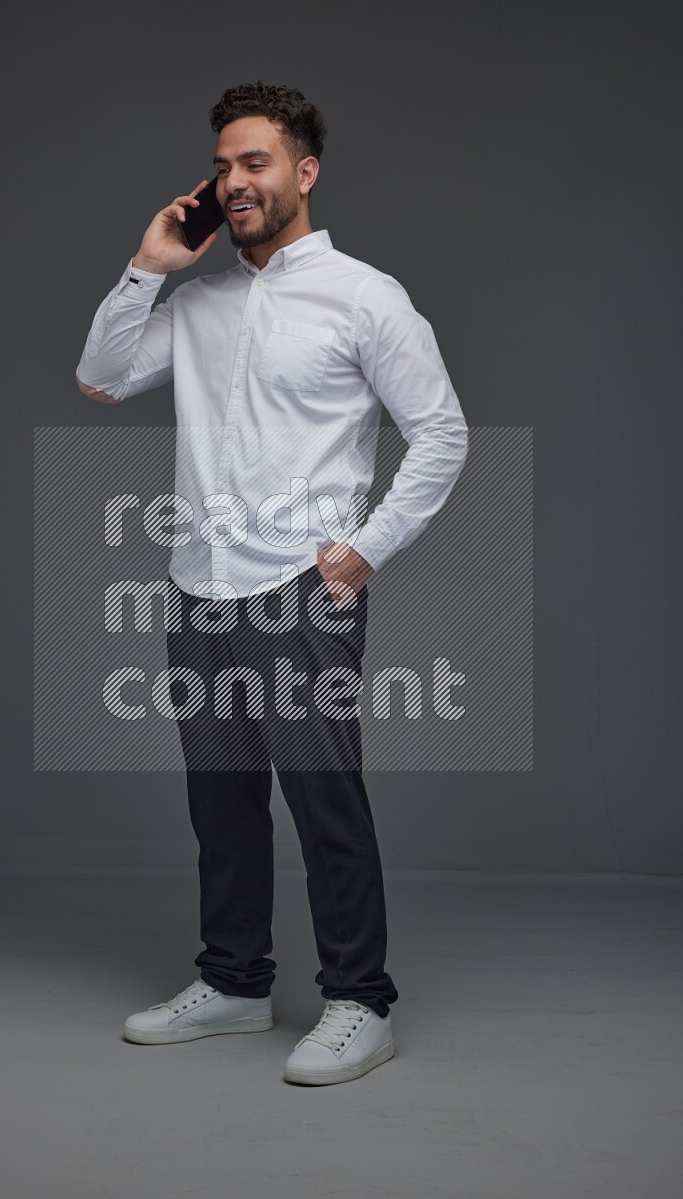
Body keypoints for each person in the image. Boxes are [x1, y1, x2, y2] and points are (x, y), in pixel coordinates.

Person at [75, 81, 469, 1086]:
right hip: (198, 585)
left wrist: (364, 546)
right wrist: (144, 266)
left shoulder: (363, 296)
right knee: (222, 799)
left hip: (301, 584)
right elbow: (101, 377)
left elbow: (440, 434)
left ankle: (358, 998)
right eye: (220, 165)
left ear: (303, 171)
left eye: (253, 162)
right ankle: (235, 980)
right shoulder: (198, 300)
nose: (233, 181)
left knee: (320, 794)